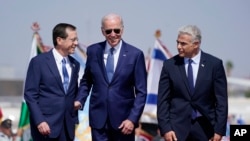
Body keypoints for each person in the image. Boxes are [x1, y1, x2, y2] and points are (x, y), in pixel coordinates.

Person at [74, 13, 147, 141]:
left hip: (124, 122)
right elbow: (86, 81)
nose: (113, 34)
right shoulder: (93, 51)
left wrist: (132, 119)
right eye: (108, 31)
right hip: (98, 121)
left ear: (122, 30)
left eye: (117, 30)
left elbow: (141, 92)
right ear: (102, 31)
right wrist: (79, 101)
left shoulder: (135, 55)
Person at [157, 25, 228, 141]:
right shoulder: (169, 65)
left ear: (196, 44)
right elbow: (163, 101)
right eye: (177, 42)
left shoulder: (214, 65)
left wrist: (219, 130)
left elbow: (221, 101)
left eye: (183, 43)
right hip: (176, 130)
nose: (179, 47)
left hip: (206, 130)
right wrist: (165, 129)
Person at [24, 23, 80, 141]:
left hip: (67, 128)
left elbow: (73, 92)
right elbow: (30, 95)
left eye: (77, 39)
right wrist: (40, 121)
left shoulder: (75, 64)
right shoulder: (39, 62)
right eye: (73, 40)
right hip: (46, 127)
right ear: (59, 40)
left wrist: (79, 102)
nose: (76, 43)